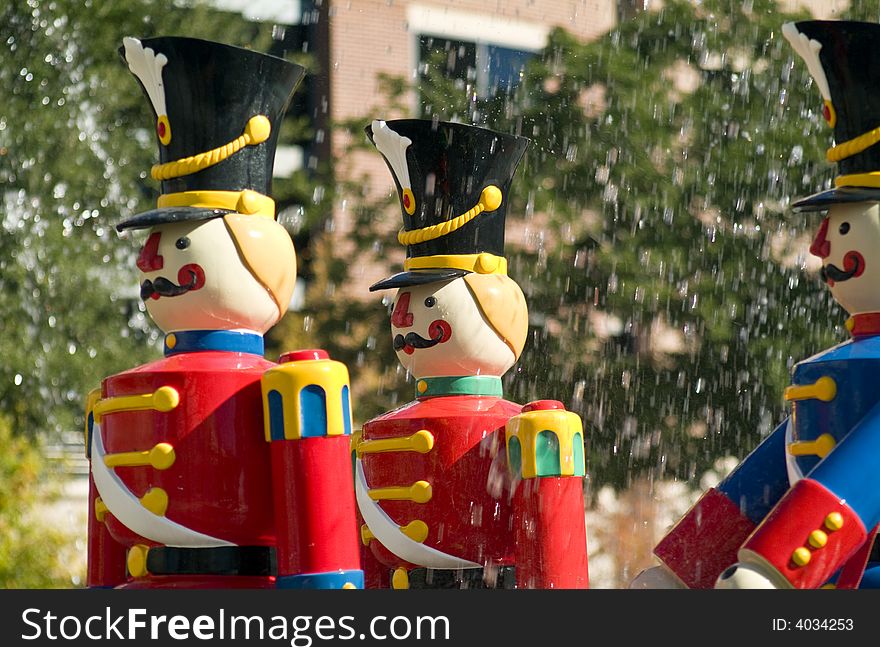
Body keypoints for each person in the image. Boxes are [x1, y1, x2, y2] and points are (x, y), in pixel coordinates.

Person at [84, 36, 362, 589]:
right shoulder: (112, 393)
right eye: (152, 242)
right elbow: (104, 550)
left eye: (177, 242)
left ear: (258, 258)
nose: (149, 259)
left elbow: (323, 549)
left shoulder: (300, 387)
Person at [632, 20, 880, 590]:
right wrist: (684, 572)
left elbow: (860, 477)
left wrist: (775, 570)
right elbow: (766, 479)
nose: (820, 246)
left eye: (842, 225)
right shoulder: (835, 363)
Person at [354, 118, 589, 589]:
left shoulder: (533, 428)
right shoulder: (376, 431)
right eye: (403, 302)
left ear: (496, 308)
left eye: (427, 301)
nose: (403, 318)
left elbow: (555, 547)